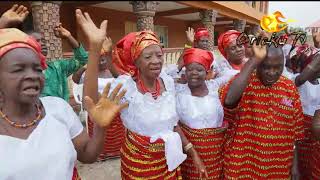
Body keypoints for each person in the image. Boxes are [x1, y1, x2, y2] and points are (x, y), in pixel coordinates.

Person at [76, 9, 207, 179]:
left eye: (159, 55)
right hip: (138, 164)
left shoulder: (167, 82)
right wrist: (94, 50)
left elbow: (173, 125)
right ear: (136, 61)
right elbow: (91, 101)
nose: (156, 61)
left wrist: (192, 152)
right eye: (148, 56)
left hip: (169, 162)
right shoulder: (126, 86)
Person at [0, 28, 128, 180]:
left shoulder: (58, 107)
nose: (32, 75)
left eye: (37, 69)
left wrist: (100, 128)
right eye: (18, 69)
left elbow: (88, 155)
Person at [219, 44, 305, 179]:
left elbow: (296, 132)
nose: (272, 72)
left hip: (279, 167)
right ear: (258, 65)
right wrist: (254, 60)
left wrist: (295, 166)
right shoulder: (245, 82)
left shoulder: (289, 88)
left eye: (278, 67)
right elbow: (229, 100)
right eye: (266, 66)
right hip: (243, 165)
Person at [175, 48, 230, 179]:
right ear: (185, 72)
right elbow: (173, 124)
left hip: (216, 154)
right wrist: (192, 152)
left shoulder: (216, 90)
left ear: (207, 72)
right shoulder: (178, 93)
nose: (194, 73)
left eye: (199, 70)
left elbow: (238, 75)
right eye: (189, 69)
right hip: (189, 155)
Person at [73, 37, 126, 160]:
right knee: (99, 131)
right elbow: (75, 79)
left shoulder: (112, 72)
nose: (101, 61)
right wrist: (86, 67)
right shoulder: (90, 73)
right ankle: (101, 154)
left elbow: (122, 79)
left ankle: (116, 152)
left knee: (115, 133)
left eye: (104, 59)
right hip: (96, 108)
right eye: (99, 59)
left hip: (112, 107)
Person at [27, 24, 88, 102]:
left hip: (60, 113)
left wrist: (69, 37)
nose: (43, 44)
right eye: (36, 41)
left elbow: (82, 60)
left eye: (43, 41)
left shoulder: (58, 67)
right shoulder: (22, 73)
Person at [287, 44, 320, 179]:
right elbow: (300, 79)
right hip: (297, 134)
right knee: (297, 170)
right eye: (317, 66)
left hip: (313, 136)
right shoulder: (294, 79)